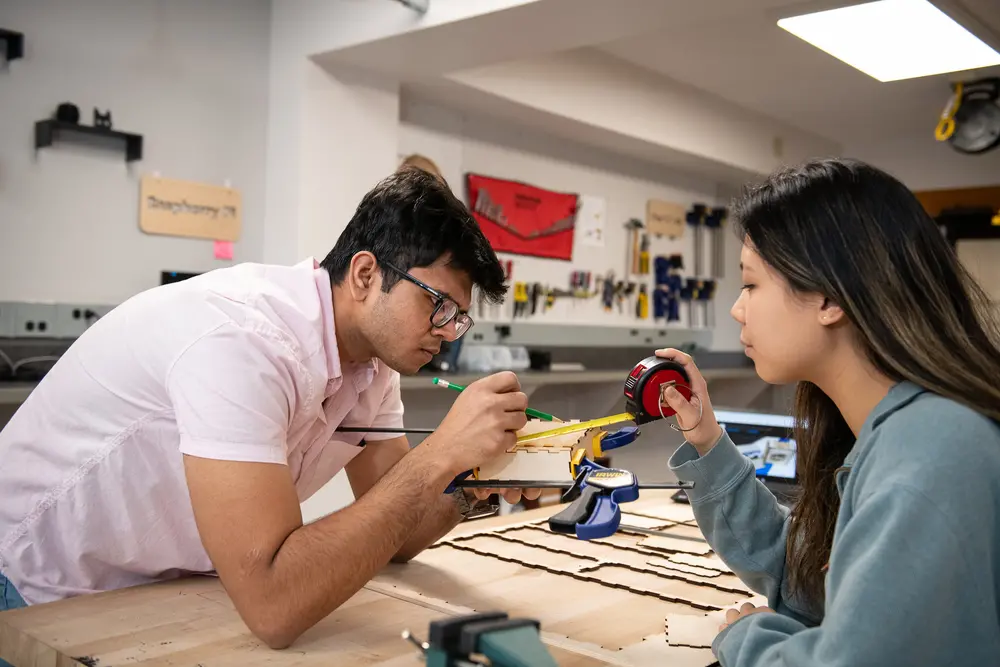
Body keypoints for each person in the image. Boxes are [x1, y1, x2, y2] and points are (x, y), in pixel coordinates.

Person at [0, 167, 540, 649]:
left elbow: (399, 531)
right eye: (436, 304)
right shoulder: (243, 343)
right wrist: (437, 455)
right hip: (31, 580)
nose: (447, 333)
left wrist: (475, 479)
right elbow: (274, 604)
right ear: (365, 275)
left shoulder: (374, 367)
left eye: (458, 317)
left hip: (148, 584)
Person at [658, 157, 1000, 666]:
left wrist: (747, 638)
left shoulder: (931, 452)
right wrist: (707, 440)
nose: (737, 307)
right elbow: (806, 579)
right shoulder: (890, 430)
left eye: (751, 284)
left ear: (828, 297)